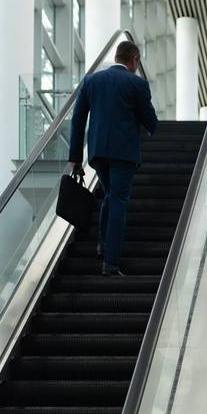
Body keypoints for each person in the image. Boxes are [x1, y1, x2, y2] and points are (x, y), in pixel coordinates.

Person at [68, 40, 158, 277]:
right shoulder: (137, 84)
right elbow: (150, 121)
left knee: (110, 194)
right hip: (124, 153)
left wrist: (76, 158)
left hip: (98, 153)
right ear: (134, 60)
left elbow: (77, 121)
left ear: (117, 57)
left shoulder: (91, 81)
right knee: (118, 199)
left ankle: (102, 244)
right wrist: (152, 126)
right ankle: (111, 263)